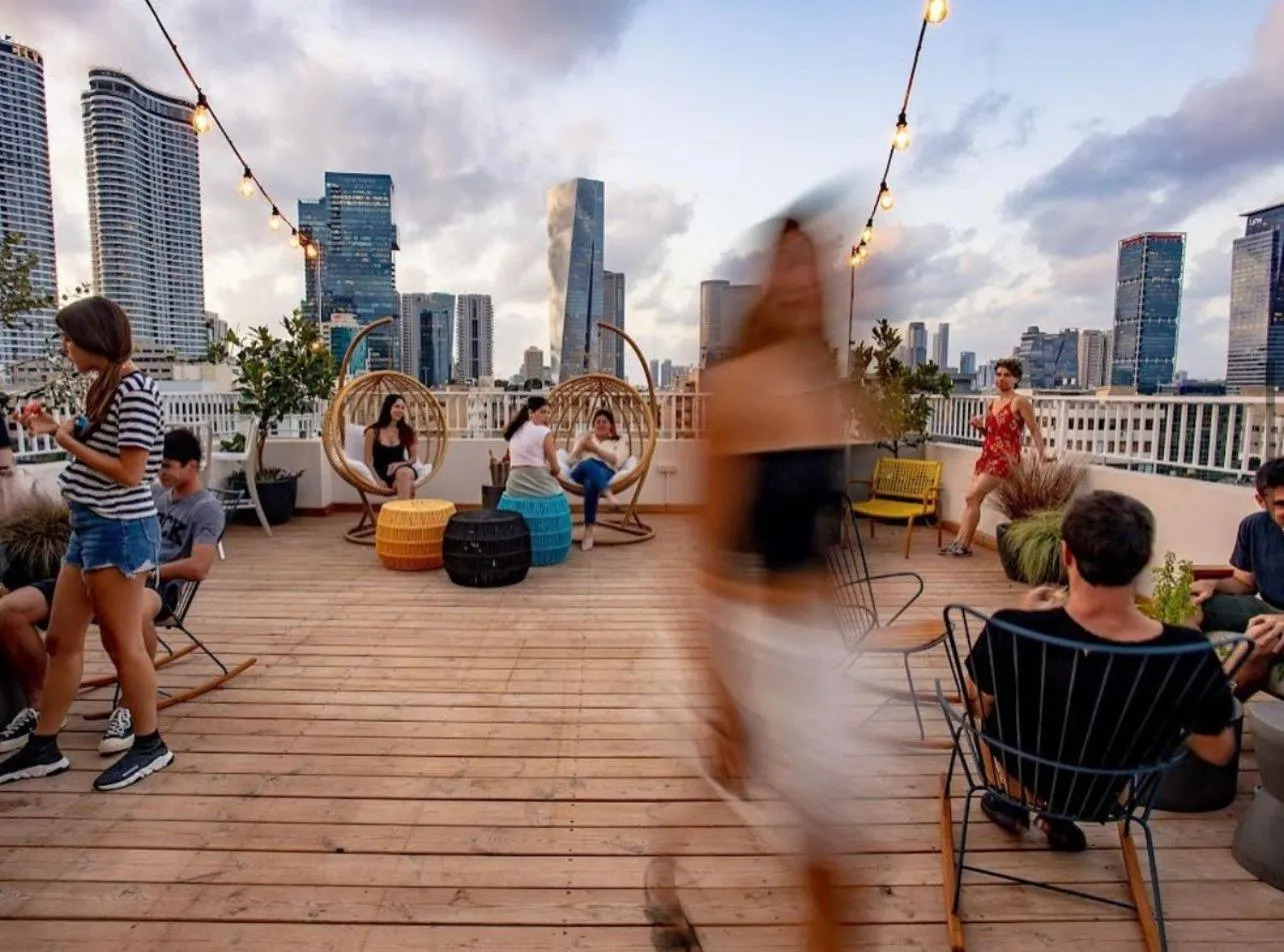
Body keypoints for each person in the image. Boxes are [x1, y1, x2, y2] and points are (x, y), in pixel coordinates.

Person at [646, 218, 859, 952]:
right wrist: (720, 697)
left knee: (821, 845)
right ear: (767, 282)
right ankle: (666, 878)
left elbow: (824, 530)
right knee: (814, 845)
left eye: (816, 266)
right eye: (789, 264)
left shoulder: (825, 386)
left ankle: (663, 878)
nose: (805, 280)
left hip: (818, 647)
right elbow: (703, 559)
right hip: (756, 638)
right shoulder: (735, 390)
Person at [965, 491, 1237, 850]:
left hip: (1022, 771)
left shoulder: (1014, 627)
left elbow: (978, 706)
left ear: (1066, 554)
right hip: (1108, 790)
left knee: (985, 698)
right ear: (1144, 561)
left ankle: (1011, 799)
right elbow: (1217, 751)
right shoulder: (1184, 653)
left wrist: (1029, 617)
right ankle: (1059, 812)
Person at [0, 296, 171, 792]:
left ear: (95, 339)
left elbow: (130, 472)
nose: (66, 347)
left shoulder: (136, 391)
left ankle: (150, 743)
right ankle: (44, 745)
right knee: (60, 639)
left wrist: (65, 440)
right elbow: (86, 437)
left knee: (123, 642)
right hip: (89, 527)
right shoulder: (105, 386)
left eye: (70, 338)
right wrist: (53, 426)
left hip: (120, 529)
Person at [0, 427, 224, 757]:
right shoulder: (152, 495)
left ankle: (130, 708)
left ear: (193, 466)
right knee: (11, 611)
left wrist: (148, 570)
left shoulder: (205, 508)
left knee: (133, 616)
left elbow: (198, 567)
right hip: (99, 569)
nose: (160, 472)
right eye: (157, 464)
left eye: (168, 466)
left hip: (155, 584)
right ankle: (40, 701)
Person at [1191, 457, 1284, 698]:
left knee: (1261, 640)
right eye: (1281, 504)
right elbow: (1244, 583)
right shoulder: (1253, 527)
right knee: (1186, 606)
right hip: (1266, 608)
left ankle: (1216, 716)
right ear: (1261, 501)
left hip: (1278, 621)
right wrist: (1212, 584)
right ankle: (1182, 688)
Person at [941, 357, 1045, 557]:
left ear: (1016, 379)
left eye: (1007, 375)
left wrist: (1042, 455)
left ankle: (963, 545)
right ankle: (960, 543)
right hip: (988, 456)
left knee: (972, 496)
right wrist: (980, 427)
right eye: (999, 375)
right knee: (975, 501)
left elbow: (1034, 429)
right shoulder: (993, 403)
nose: (1002, 379)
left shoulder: (1020, 402)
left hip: (1005, 459)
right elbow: (991, 435)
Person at [567, 408, 624, 551]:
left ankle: (589, 530)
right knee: (588, 463)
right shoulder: (585, 438)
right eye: (598, 421)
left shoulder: (619, 440)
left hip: (605, 471)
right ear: (594, 425)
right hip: (580, 470)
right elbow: (570, 460)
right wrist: (581, 446)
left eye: (604, 421)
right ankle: (607, 491)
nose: (601, 424)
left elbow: (616, 461)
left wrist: (594, 450)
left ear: (611, 425)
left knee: (591, 483)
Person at [502, 396, 562, 497]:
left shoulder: (515, 432)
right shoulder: (545, 432)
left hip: (514, 484)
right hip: (538, 482)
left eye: (548, 413)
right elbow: (555, 468)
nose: (546, 416)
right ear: (531, 413)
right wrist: (553, 473)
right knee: (560, 498)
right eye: (542, 412)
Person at [363, 393, 418, 500]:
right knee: (408, 486)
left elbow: (413, 459)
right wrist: (378, 481)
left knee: (404, 473)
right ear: (388, 407)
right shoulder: (373, 431)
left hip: (403, 468)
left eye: (402, 408)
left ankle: (402, 515)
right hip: (382, 473)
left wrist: (399, 464)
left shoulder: (406, 431)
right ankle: (407, 514)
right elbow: (367, 460)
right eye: (397, 406)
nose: (400, 410)